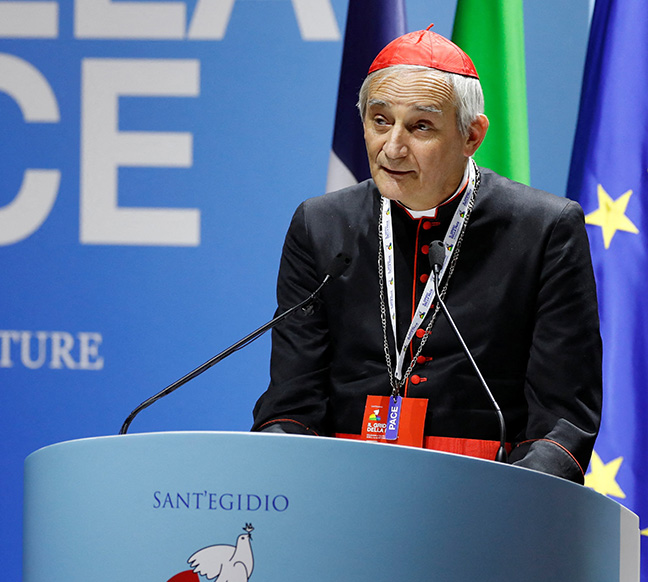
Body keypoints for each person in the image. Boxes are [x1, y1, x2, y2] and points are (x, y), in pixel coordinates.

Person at [251, 28, 602, 483]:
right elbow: (291, 403)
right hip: (340, 491)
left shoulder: (543, 228)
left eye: (420, 126)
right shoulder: (321, 225)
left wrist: (514, 498)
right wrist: (288, 481)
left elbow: (563, 419)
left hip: (486, 492)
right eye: (380, 121)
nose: (393, 147)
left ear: (472, 135)